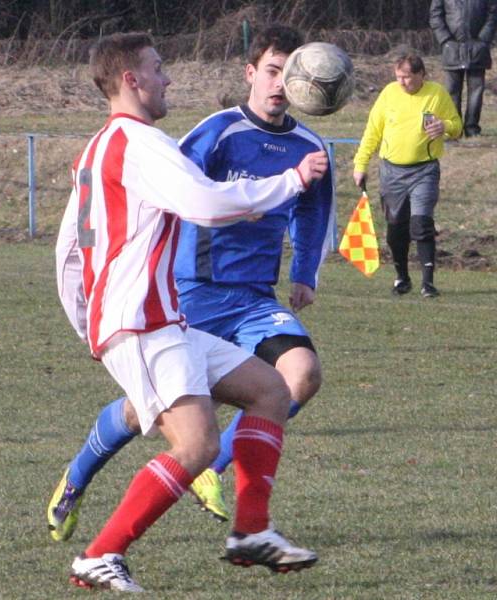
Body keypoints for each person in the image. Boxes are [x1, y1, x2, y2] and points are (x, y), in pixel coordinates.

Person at [56, 31, 327, 591]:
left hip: (155, 320)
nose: (168, 79)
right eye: (158, 68)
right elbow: (205, 203)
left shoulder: (99, 148)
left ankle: (252, 530)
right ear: (131, 79)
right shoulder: (140, 141)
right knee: (198, 446)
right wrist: (288, 182)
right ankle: (99, 554)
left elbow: (67, 251)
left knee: (271, 391)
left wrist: (87, 321)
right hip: (142, 321)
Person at [353, 53, 462, 299]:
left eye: (407, 78)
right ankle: (402, 277)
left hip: (424, 170)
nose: (402, 83)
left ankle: (428, 283)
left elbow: (457, 126)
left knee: (421, 224)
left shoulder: (437, 94)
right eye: (399, 77)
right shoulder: (389, 94)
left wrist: (445, 126)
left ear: (422, 75)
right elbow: (372, 131)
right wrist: (360, 163)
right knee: (396, 229)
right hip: (392, 172)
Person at [430, 0, 497, 138]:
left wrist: (483, 40)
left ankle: (472, 129)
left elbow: (493, 14)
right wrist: (445, 39)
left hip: (478, 48)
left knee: (476, 91)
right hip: (452, 49)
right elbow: (435, 15)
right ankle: (455, 129)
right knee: (452, 91)